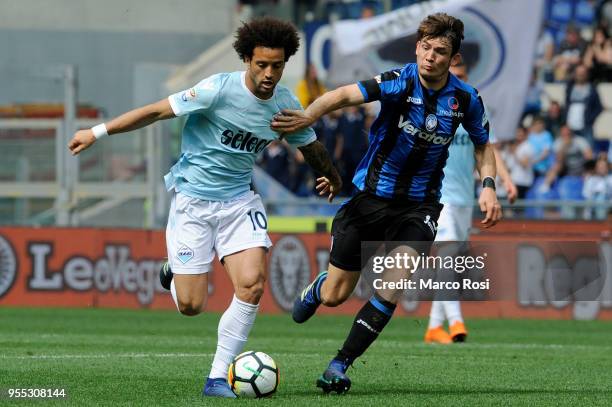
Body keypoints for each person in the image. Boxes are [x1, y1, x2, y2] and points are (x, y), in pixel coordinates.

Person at [68, 17, 341, 399]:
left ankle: (216, 378)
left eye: (276, 66)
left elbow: (309, 144)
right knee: (192, 305)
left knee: (252, 285)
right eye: (261, 64)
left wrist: (331, 175)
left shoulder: (285, 105)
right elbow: (155, 112)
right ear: (247, 59)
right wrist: (97, 133)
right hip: (193, 201)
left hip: (239, 202)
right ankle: (173, 273)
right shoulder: (217, 89)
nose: (268, 73)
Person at [272, 12, 501, 394]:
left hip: (419, 208)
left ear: (452, 57)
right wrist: (307, 116)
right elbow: (343, 94)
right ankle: (318, 290)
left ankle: (339, 365)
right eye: (425, 47)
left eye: (440, 51)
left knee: (393, 284)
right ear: (417, 47)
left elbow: (483, 145)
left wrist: (489, 185)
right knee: (335, 294)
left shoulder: (465, 99)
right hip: (370, 200)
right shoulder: (399, 81)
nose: (430, 56)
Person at [424, 59, 517, 345]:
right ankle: (456, 322)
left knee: (448, 264)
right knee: (448, 259)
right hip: (441, 198)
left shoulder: (471, 106)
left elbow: (486, 148)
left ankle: (433, 328)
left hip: (465, 198)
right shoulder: (432, 110)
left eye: (463, 74)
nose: (460, 79)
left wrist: (506, 180)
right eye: (455, 74)